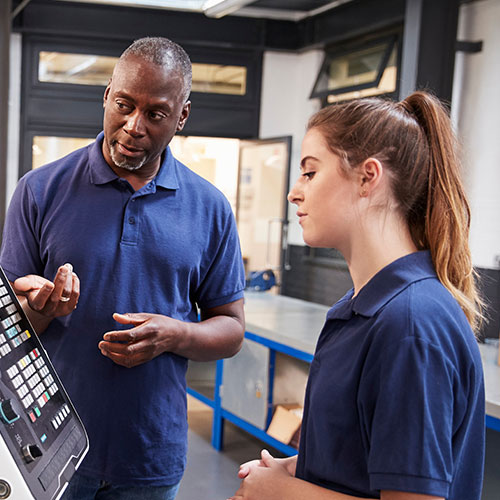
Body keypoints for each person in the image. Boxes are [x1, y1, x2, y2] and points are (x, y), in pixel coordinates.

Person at [0, 36, 246, 500]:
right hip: (45, 451)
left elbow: (231, 329)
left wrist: (174, 335)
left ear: (182, 116)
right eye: (123, 105)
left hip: (148, 455)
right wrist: (40, 308)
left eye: (155, 114)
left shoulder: (211, 209)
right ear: (106, 96)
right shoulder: (39, 190)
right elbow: (6, 329)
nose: (134, 126)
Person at [229, 91, 485, 500]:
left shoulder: (410, 325)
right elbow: (367, 456)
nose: (295, 193)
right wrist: (296, 467)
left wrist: (281, 493)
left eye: (310, 173)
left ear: (368, 177)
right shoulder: (362, 310)